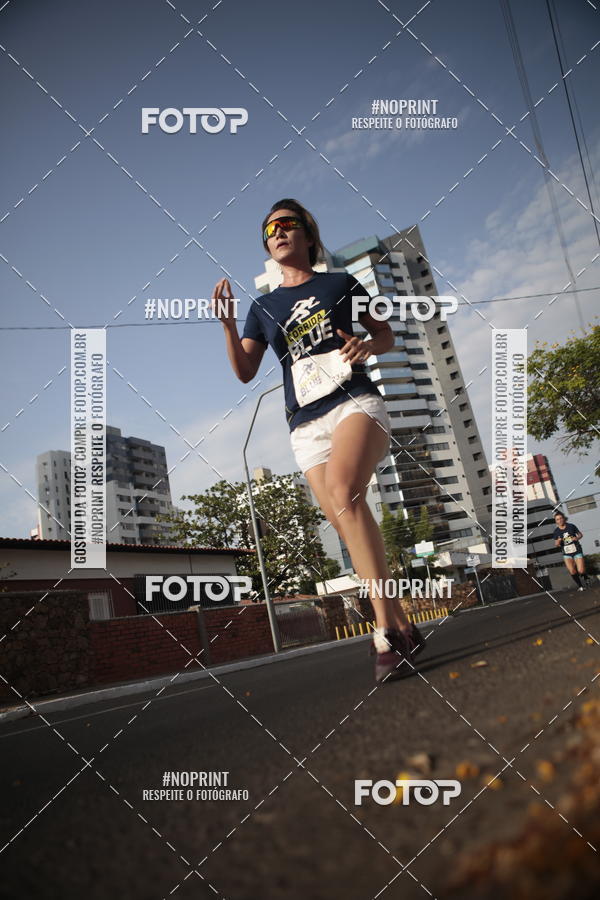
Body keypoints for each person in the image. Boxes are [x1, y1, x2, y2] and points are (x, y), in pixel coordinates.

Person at [211, 198, 426, 682]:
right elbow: (246, 372)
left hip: (354, 402)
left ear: (308, 235)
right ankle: (404, 626)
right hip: (305, 425)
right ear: (267, 245)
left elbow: (385, 336)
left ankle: (385, 633)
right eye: (270, 229)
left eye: (288, 225)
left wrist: (368, 346)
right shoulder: (261, 307)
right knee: (349, 520)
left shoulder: (339, 284)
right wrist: (227, 325)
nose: (278, 233)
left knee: (346, 494)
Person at [553, 511, 587, 590]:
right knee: (572, 571)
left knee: (581, 570)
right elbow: (556, 544)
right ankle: (580, 586)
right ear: (556, 521)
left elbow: (580, 534)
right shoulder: (556, 531)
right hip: (566, 553)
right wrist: (558, 541)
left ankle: (584, 575)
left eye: (561, 518)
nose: (560, 520)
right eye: (557, 519)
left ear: (564, 519)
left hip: (576, 550)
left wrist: (576, 538)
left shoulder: (571, 526)